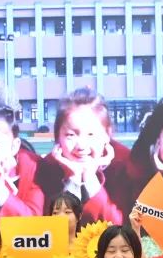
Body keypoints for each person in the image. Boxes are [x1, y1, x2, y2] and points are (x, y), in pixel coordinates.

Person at [34, 88, 128, 224]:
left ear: (107, 135)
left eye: (91, 135)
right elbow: (51, 229)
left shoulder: (122, 170)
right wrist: (72, 181)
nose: (81, 146)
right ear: (58, 137)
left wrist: (90, 180)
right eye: (71, 135)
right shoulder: (42, 171)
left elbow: (117, 227)